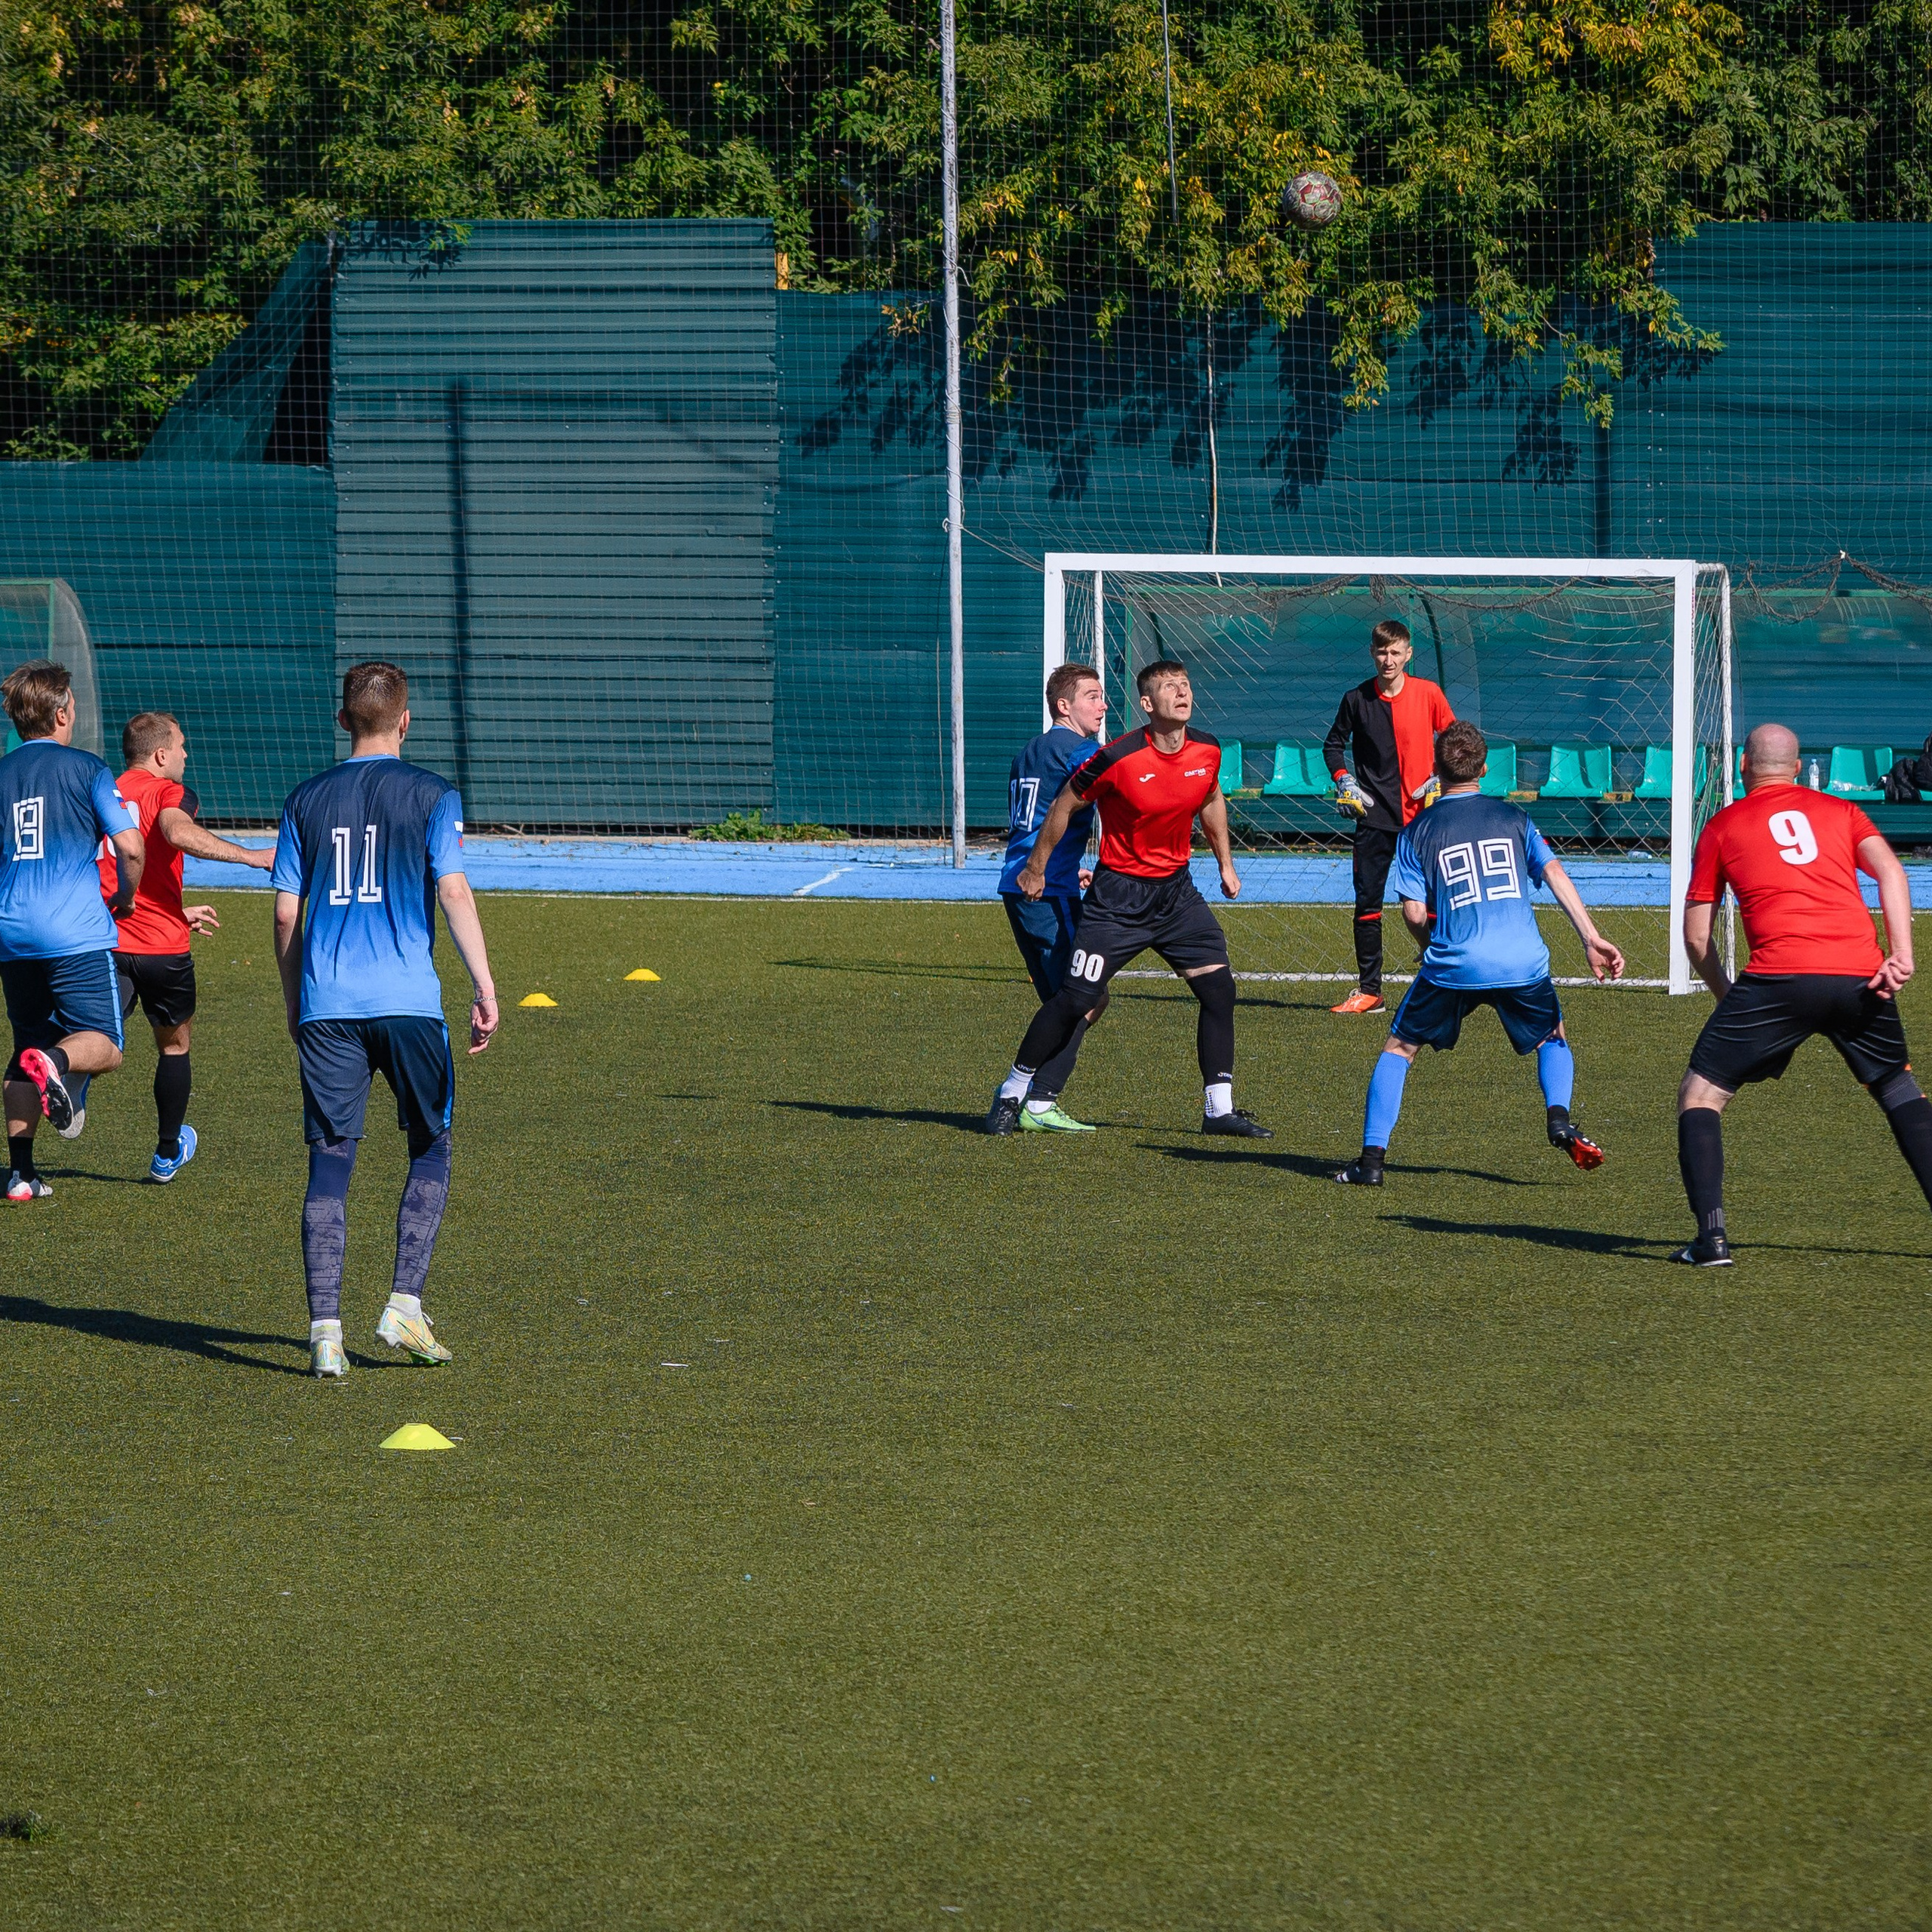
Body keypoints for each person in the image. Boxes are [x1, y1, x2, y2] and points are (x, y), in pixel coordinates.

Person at [272, 661, 500, 1377]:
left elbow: (285, 914)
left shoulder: (304, 799)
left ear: (344, 721)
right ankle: (404, 1303)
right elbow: (453, 891)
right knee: (430, 1146)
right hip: (408, 1005)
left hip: (328, 1009)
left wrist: (295, 999)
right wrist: (484, 984)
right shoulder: (433, 793)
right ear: (405, 721)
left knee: (330, 1161)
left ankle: (324, 1332)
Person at [1674, 721, 1932, 1267]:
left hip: (1778, 978)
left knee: (1701, 1097)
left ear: (1743, 766)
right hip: (1860, 973)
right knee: (1898, 1089)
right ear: (1797, 769)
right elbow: (1891, 870)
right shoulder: (1842, 811)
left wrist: (1729, 998)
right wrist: (1901, 952)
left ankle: (1712, 1241)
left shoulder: (1722, 825)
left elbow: (1696, 938)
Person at [986, 658, 1272, 1139]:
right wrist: (1036, 867)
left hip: (1177, 895)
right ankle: (1015, 1093)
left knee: (1219, 989)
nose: (1182, 693)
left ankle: (1218, 1110)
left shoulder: (1208, 749)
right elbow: (1065, 803)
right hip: (1117, 899)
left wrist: (1226, 863)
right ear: (1146, 703)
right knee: (1078, 998)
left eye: (1185, 685)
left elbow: (1210, 797)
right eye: (1169, 687)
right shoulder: (1115, 756)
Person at [1334, 719, 1623, 1186]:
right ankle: (1559, 1119)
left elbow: (1413, 912)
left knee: (1400, 1050)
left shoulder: (1417, 831)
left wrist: (1430, 948)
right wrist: (1590, 937)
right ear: (1485, 769)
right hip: (1521, 961)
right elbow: (1554, 874)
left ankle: (1371, 1163)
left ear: (1435, 769)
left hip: (1454, 965)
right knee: (1553, 1037)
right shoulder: (1515, 818)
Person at [74, 711, 276, 1178]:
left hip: (106, 940)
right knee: (174, 1047)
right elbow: (176, 832)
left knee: (98, 1035)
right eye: (182, 746)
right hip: (162, 951)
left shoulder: (101, 791)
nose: (187, 754)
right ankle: (167, 1153)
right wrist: (253, 857)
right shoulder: (170, 792)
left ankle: (72, 1072)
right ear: (161, 754)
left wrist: (173, 909)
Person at [0, 660, 146, 1201]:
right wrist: (125, 896)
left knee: (25, 1047)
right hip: (74, 935)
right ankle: (58, 1064)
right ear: (61, 713)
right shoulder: (88, 768)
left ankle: (21, 1175)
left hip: (12, 936)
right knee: (107, 1045)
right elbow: (131, 847)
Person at [991, 663, 1109, 1134]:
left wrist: (1061, 863)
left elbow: (1033, 815)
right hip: (1044, 888)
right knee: (1085, 1000)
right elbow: (1108, 796)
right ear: (1064, 705)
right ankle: (1032, 1099)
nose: (1103, 706)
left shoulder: (1030, 750)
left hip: (1019, 884)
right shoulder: (1080, 750)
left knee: (1065, 1001)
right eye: (1092, 696)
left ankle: (1032, 1098)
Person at [1323, 618, 1457, 1016]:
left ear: (1408, 654)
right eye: (1382, 652)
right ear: (1372, 653)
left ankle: (1447, 977)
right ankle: (1371, 993)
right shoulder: (1356, 699)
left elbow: (1454, 740)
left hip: (1423, 818)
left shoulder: (1429, 693)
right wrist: (1344, 779)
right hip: (1373, 817)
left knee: (1430, 904)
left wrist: (1440, 777)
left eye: (1396, 652)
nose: (1388, 659)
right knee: (1367, 904)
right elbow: (1333, 745)